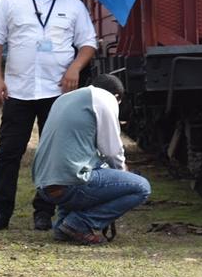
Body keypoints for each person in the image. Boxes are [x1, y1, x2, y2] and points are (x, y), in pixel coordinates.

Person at [0, 0, 97, 231]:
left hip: (57, 93)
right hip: (19, 90)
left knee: (53, 155)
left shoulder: (73, 5)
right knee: (9, 152)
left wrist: (75, 67)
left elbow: (88, 43)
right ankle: (1, 211)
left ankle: (44, 210)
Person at [33, 74, 150, 245]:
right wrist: (123, 175)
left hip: (44, 186)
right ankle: (79, 224)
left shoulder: (64, 99)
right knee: (141, 187)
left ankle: (63, 226)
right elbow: (112, 151)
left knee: (81, 165)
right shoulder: (104, 99)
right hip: (71, 184)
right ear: (117, 96)